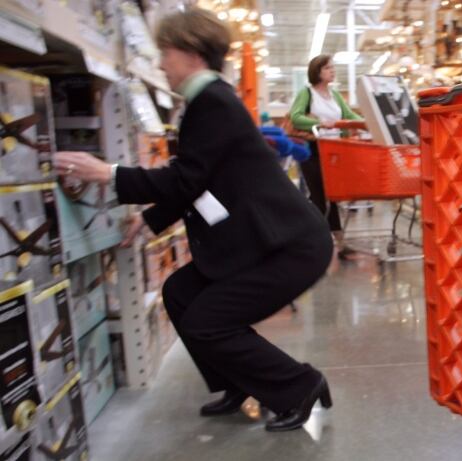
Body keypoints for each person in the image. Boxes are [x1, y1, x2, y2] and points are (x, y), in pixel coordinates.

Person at [54, 8, 333, 432]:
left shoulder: (213, 103)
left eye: (166, 52)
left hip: (289, 247)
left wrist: (105, 174)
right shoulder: (209, 102)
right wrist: (150, 221)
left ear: (193, 54)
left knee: (207, 323)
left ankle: (300, 385)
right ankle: (237, 382)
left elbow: (187, 177)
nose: (162, 63)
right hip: (270, 240)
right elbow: (203, 180)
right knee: (181, 293)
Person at [290, 55, 362, 258]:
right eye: (328, 68)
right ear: (317, 71)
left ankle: (320, 242)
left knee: (330, 196)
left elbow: (348, 115)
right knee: (320, 198)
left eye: (333, 67)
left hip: (334, 152)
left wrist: (369, 122)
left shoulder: (336, 95)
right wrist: (321, 123)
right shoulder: (307, 93)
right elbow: (295, 116)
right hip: (313, 150)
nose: (333, 71)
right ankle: (329, 243)